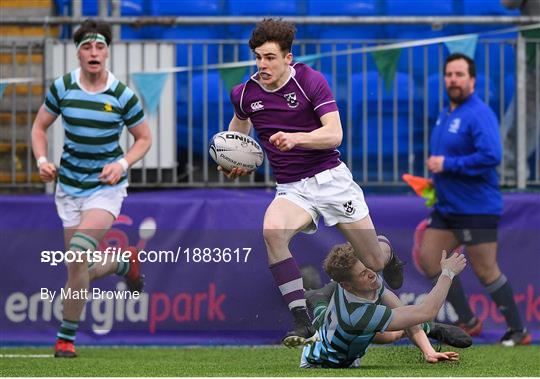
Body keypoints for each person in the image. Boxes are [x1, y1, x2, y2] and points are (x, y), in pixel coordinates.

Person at [224, 18, 404, 347]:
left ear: (287, 58)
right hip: (293, 189)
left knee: (374, 262)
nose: (262, 64)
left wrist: (297, 139)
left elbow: (334, 134)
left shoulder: (309, 80)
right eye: (258, 57)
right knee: (272, 232)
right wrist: (233, 161)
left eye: (270, 57)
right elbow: (238, 135)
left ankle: (388, 253)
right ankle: (302, 320)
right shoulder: (245, 93)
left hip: (331, 180)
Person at [31, 19, 152, 358]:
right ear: (79, 53)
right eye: (87, 47)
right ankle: (120, 264)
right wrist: (42, 160)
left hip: (105, 187)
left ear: (107, 52)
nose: (94, 52)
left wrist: (122, 164)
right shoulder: (63, 87)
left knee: (79, 252)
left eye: (99, 47)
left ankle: (65, 339)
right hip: (68, 186)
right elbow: (39, 127)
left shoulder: (122, 94)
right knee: (77, 266)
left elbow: (144, 139)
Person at [417, 53, 531, 346]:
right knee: (431, 261)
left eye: (459, 74)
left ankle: (519, 331)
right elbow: (450, 158)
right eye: (449, 75)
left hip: (476, 208)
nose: (453, 80)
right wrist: (437, 179)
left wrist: (448, 165)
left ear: (472, 80)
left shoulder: (479, 113)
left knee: (485, 270)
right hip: (447, 206)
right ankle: (468, 321)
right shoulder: (448, 112)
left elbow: (492, 155)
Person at [300, 241, 470, 368]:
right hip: (320, 364)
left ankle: (315, 297)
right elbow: (426, 311)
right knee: (391, 331)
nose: (372, 275)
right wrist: (448, 273)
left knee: (393, 329)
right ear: (347, 286)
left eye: (368, 267)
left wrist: (429, 351)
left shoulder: (367, 278)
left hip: (340, 335)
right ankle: (312, 295)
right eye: (363, 274)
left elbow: (402, 311)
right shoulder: (357, 314)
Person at [501, 0, 540, 183]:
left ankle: (510, 176)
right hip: (534, 49)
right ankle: (510, 177)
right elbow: (508, 2)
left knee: (526, 113)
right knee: (525, 113)